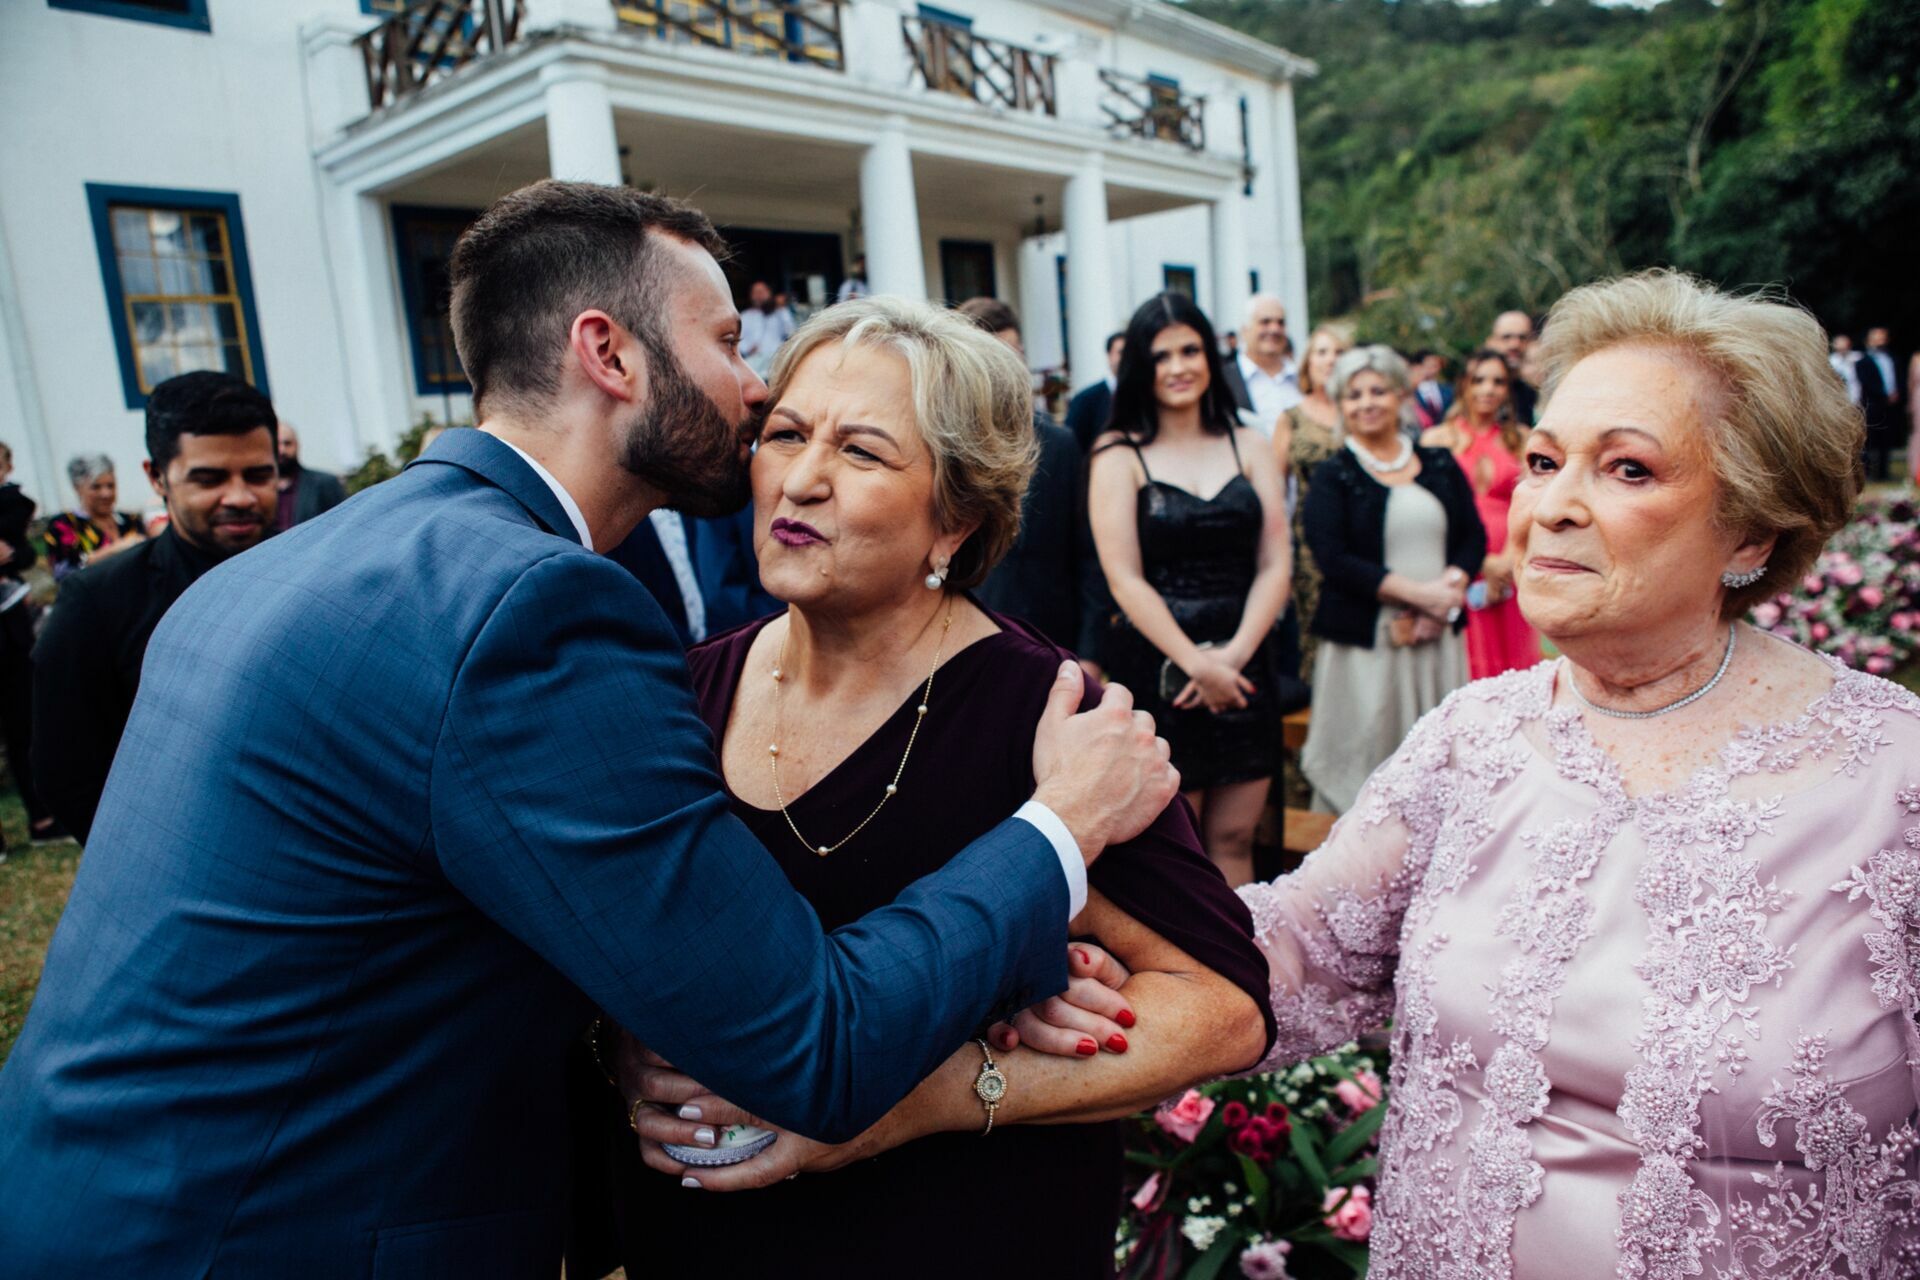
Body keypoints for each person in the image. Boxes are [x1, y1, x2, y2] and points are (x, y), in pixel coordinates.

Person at [0, 181, 1178, 1275]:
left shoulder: (322, 555)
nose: (753, 388)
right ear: (609, 352)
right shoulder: (531, 606)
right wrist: (1060, 827)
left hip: (96, 1198)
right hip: (265, 1231)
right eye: (725, 342)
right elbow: (807, 1040)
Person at [1040, 269, 1915, 1278]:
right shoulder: (1476, 736)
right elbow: (1294, 955)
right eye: (1543, 461)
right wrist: (1081, 871)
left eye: (1627, 469)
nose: (1551, 508)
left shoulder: (1891, 776)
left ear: (1754, 529)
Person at [598, 296, 1271, 1280]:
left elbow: (1224, 1007)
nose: (804, 477)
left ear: (955, 518)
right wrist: (627, 1051)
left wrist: (930, 1094)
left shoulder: (1048, 715)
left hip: (968, 1230)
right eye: (785, 433)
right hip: (711, 1234)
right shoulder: (685, 687)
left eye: (862, 452)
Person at [1089, 292, 1291, 887]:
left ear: (1211, 356)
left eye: (1190, 351)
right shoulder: (1118, 455)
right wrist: (1195, 664)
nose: (1178, 367)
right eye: (1161, 356)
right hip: (1162, 671)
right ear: (1140, 369)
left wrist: (1231, 658)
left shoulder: (1249, 444)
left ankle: (1247, 971)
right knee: (1182, 845)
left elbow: (1276, 562)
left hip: (1246, 662)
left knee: (1235, 837)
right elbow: (1123, 577)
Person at [28, 371, 280, 844]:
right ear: (156, 476)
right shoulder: (97, 601)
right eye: (209, 479)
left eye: (259, 475)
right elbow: (67, 772)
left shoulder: (317, 573)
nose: (241, 496)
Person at [1298, 345, 1482, 815]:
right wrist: (1423, 596)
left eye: (1377, 390)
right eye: (1354, 394)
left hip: (1436, 640)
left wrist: (1450, 590)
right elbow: (1332, 557)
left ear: (1400, 396)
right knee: (1370, 759)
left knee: (1440, 767)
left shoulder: (1439, 462)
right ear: (1341, 406)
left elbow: (1472, 535)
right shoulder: (1333, 475)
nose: (1367, 402)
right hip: (1369, 646)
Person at [956, 296, 1096, 657]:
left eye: (1014, 355)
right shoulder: (944, 449)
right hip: (968, 643)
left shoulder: (1061, 444)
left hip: (1053, 643)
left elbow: (1087, 555)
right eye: (992, 359)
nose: (1007, 370)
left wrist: (1090, 653)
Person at [1422, 348, 1541, 678]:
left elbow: (1533, 502)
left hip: (1510, 562)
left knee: (1514, 661)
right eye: (1479, 380)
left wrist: (1506, 559)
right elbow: (1430, 508)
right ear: (1463, 384)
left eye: (1498, 381)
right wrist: (1478, 560)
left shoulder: (1522, 440)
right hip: (1457, 559)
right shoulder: (1438, 439)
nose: (1488, 389)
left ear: (1508, 389)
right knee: (1465, 657)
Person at [1272, 321, 1354, 684]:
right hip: (1309, 546)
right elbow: (1275, 494)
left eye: (1339, 352)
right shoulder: (1291, 418)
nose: (1331, 360)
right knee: (1317, 636)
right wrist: (1280, 559)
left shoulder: (1362, 411)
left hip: (1361, 536)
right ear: (1307, 363)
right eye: (1322, 352)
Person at [0, 443, 58, 849]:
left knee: (23, 726)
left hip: (9, 630)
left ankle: (41, 819)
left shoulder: (13, 503)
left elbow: (20, 550)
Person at [43, 454, 143, 580]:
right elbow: (63, 575)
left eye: (110, 486)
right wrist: (114, 550)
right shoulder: (63, 525)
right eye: (96, 487)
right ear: (77, 488)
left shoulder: (130, 520)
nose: (106, 493)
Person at [1219, 293, 1302, 434]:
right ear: (1245, 330)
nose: (1275, 329)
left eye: (1280, 323)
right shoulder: (1223, 380)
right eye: (1265, 322)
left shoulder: (1302, 377)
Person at [273, 421, 347, 530]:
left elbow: (344, 523)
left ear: (297, 445)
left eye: (287, 443)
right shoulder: (259, 491)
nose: (282, 450)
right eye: (276, 444)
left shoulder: (325, 483)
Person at [1064, 330, 1125, 452]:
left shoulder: (1145, 396)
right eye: (1121, 352)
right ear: (1109, 356)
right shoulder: (1085, 399)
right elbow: (1072, 443)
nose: (1127, 358)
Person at [1859, 326, 1901, 482]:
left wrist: (1896, 395)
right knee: (1869, 441)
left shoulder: (1893, 359)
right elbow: (1867, 383)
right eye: (1877, 338)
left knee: (1887, 440)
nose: (1880, 341)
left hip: (1890, 406)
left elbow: (1899, 380)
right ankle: (1868, 473)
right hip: (1873, 405)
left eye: (1883, 338)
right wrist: (1884, 395)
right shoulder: (1863, 362)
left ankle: (1884, 472)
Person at [1489, 308, 1539, 424]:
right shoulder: (1473, 388)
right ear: (1492, 341)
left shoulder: (1530, 393)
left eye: (1522, 338)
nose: (1515, 344)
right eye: (1506, 337)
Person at [739, 279, 795, 377]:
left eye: (761, 292)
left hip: (776, 361)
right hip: (753, 363)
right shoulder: (745, 316)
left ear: (769, 293)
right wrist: (747, 349)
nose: (759, 296)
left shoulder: (779, 313)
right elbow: (738, 339)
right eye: (755, 292)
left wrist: (781, 308)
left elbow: (790, 332)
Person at [1409, 349, 1453, 427]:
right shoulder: (1410, 391)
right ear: (1418, 366)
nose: (1433, 369)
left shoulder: (1448, 390)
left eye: (1436, 365)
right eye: (1429, 365)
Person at [1830, 332, 1863, 405]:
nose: (1843, 348)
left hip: (1859, 396)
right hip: (1839, 398)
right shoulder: (1831, 361)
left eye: (1845, 346)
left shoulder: (1858, 357)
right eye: (1840, 346)